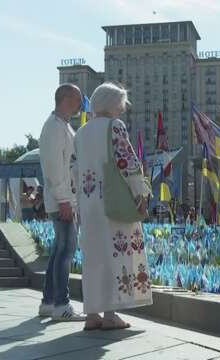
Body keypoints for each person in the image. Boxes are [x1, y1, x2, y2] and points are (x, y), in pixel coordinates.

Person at [74, 82, 152, 330]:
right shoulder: (114, 127)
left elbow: (73, 169)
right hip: (113, 201)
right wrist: (140, 194)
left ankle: (91, 315)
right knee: (115, 255)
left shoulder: (81, 132)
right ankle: (110, 314)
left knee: (93, 257)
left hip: (88, 204)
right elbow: (127, 162)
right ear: (111, 103)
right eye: (120, 103)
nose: (122, 108)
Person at [37, 83, 85, 321]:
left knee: (58, 250)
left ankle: (48, 301)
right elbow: (55, 167)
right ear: (65, 99)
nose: (80, 103)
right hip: (62, 200)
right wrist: (65, 199)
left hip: (64, 198)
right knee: (66, 250)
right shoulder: (54, 128)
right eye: (78, 99)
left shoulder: (62, 127)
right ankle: (61, 304)